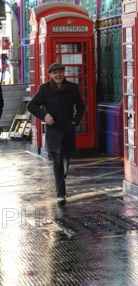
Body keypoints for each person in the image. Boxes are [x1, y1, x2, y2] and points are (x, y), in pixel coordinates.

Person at [27, 63, 85, 205]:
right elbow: (31, 105)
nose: (58, 75)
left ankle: (61, 182)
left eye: (60, 72)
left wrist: (75, 121)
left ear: (63, 73)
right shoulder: (44, 89)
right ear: (50, 75)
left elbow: (81, 106)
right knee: (57, 163)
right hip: (53, 131)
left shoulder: (72, 88)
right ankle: (61, 194)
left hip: (67, 130)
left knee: (65, 162)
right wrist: (44, 115)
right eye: (55, 73)